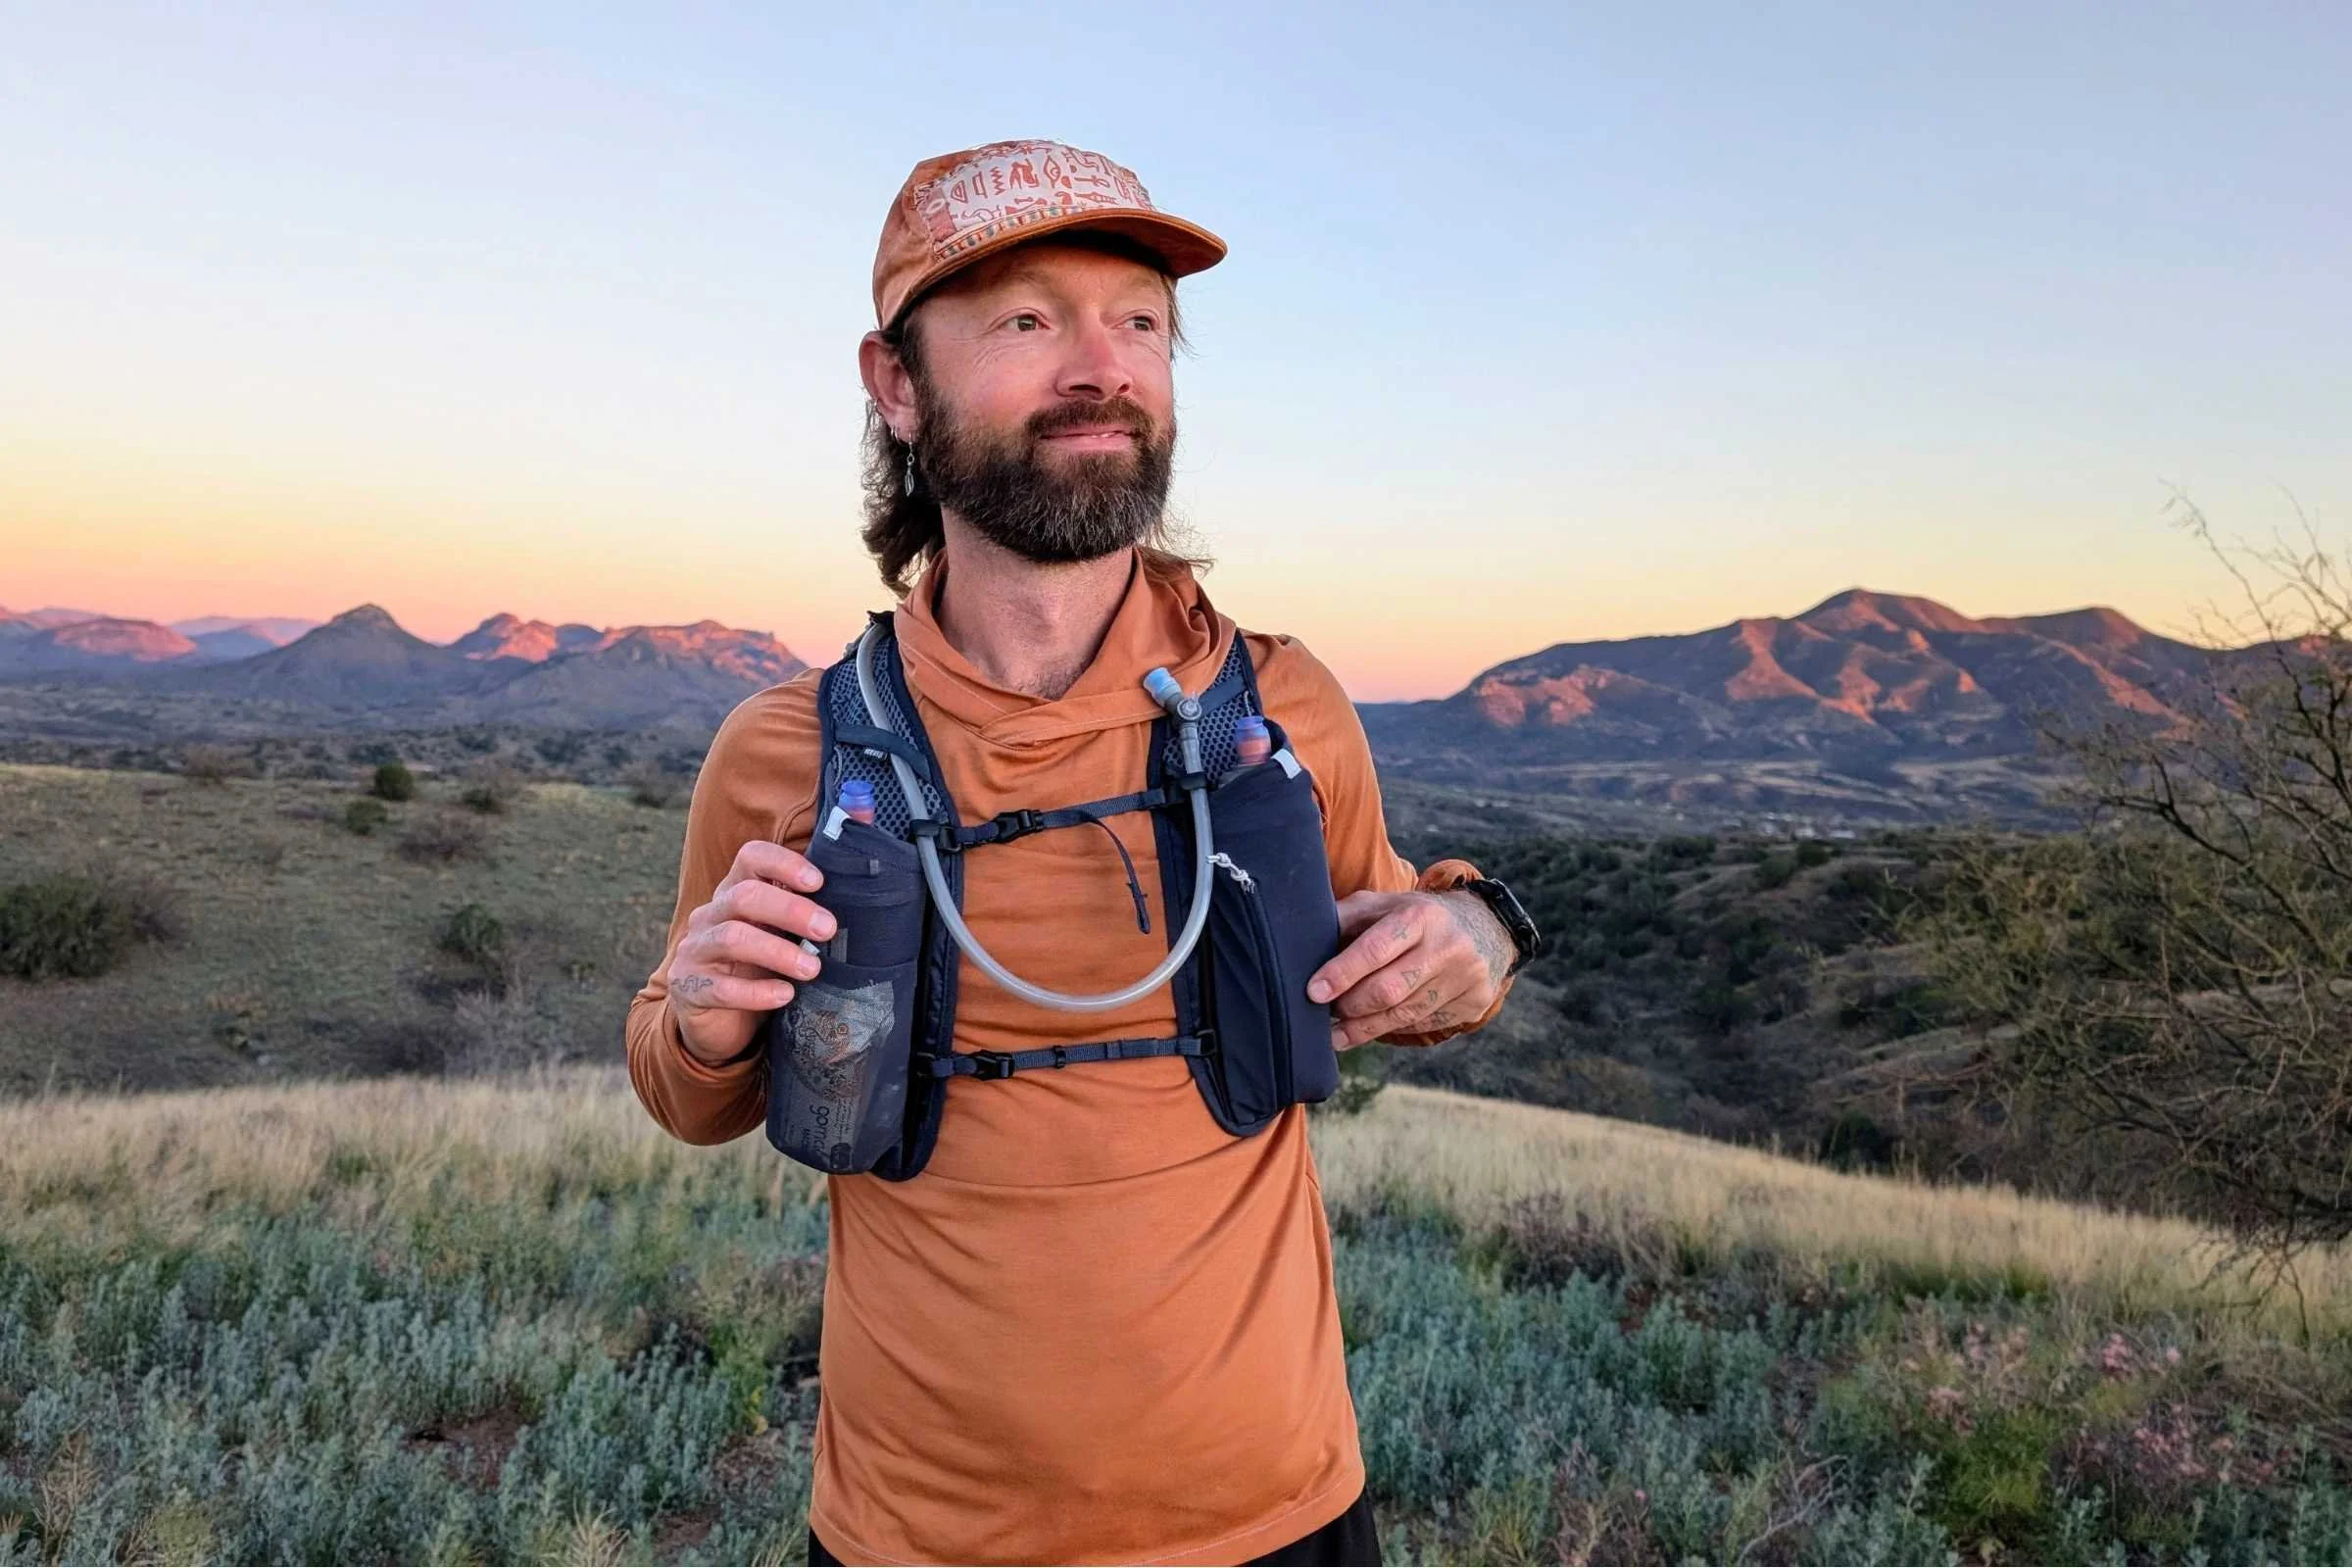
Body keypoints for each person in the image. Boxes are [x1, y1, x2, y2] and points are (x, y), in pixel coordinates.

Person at [625, 138, 1540, 1567]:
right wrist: (698, 1020)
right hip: (913, 1537)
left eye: (1139, 322)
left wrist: (1483, 934)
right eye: (1028, 322)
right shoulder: (788, 750)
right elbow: (686, 1088)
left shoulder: (1278, 713)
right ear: (894, 383)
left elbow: (1414, 942)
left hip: (1282, 1516)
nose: (1102, 366)